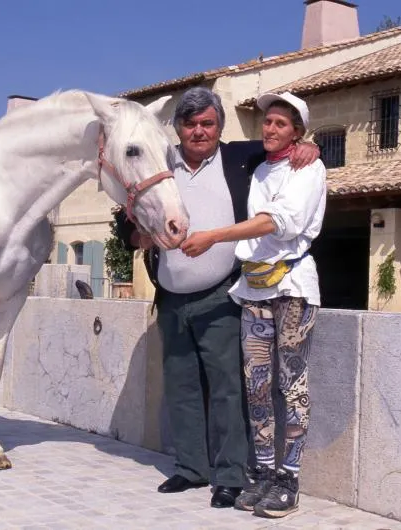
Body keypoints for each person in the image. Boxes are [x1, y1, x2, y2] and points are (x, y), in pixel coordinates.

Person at [117, 86, 319, 509]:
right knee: (181, 385)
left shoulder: (241, 158)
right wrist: (138, 236)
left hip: (221, 293)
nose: (198, 131)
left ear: (219, 127)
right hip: (170, 297)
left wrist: (311, 146)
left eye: (207, 123)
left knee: (229, 388)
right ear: (177, 129)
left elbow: (285, 151)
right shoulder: (163, 161)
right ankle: (191, 468)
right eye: (189, 124)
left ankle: (230, 474)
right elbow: (125, 222)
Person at [180, 91, 326, 518]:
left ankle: (289, 478)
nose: (270, 129)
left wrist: (212, 236)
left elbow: (279, 222)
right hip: (255, 290)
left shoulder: (310, 166)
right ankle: (263, 472)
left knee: (291, 384)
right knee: (256, 385)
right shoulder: (259, 168)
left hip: (293, 288)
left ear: (297, 132)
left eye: (282, 124)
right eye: (267, 122)